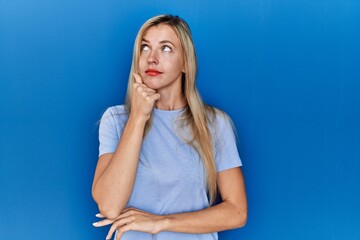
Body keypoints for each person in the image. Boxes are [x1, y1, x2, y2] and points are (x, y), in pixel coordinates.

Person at [91, 14, 247, 240]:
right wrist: (137, 118)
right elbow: (109, 206)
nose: (151, 58)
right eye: (145, 48)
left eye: (165, 49)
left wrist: (160, 223)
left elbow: (237, 212)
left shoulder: (214, 123)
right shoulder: (115, 119)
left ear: (185, 62)